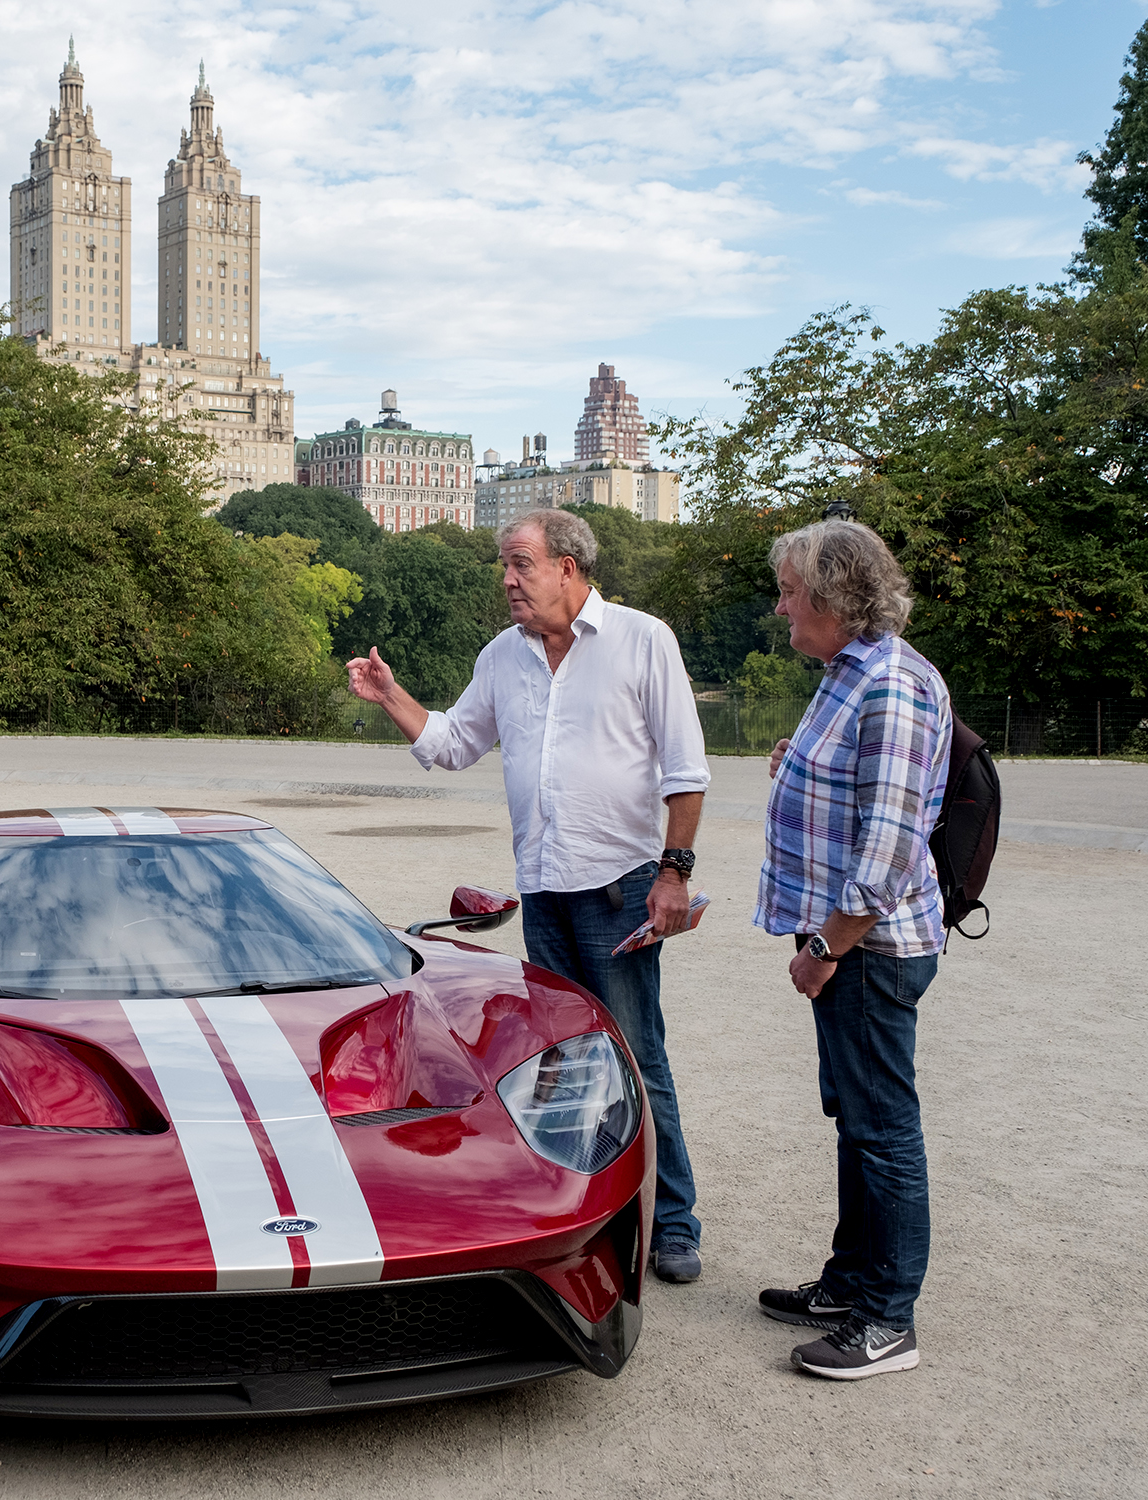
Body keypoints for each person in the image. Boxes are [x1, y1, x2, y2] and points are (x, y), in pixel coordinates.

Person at [347, 509, 712, 1283]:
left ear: (569, 568)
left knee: (638, 1056)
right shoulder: (502, 657)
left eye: (521, 563)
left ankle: (674, 1223)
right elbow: (451, 744)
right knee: (563, 1064)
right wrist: (391, 696)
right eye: (503, 565)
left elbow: (685, 770)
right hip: (544, 891)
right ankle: (576, 1214)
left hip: (621, 889)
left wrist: (673, 873)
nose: (507, 580)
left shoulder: (644, 639)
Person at [754, 519, 951, 1381]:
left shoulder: (895, 686)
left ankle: (888, 1320)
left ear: (834, 597)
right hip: (850, 944)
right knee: (857, 1123)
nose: (782, 604)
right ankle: (852, 1283)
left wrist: (825, 949)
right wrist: (796, 765)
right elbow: (851, 783)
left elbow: (891, 847)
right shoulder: (848, 672)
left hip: (870, 949)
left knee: (882, 1130)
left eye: (791, 589)